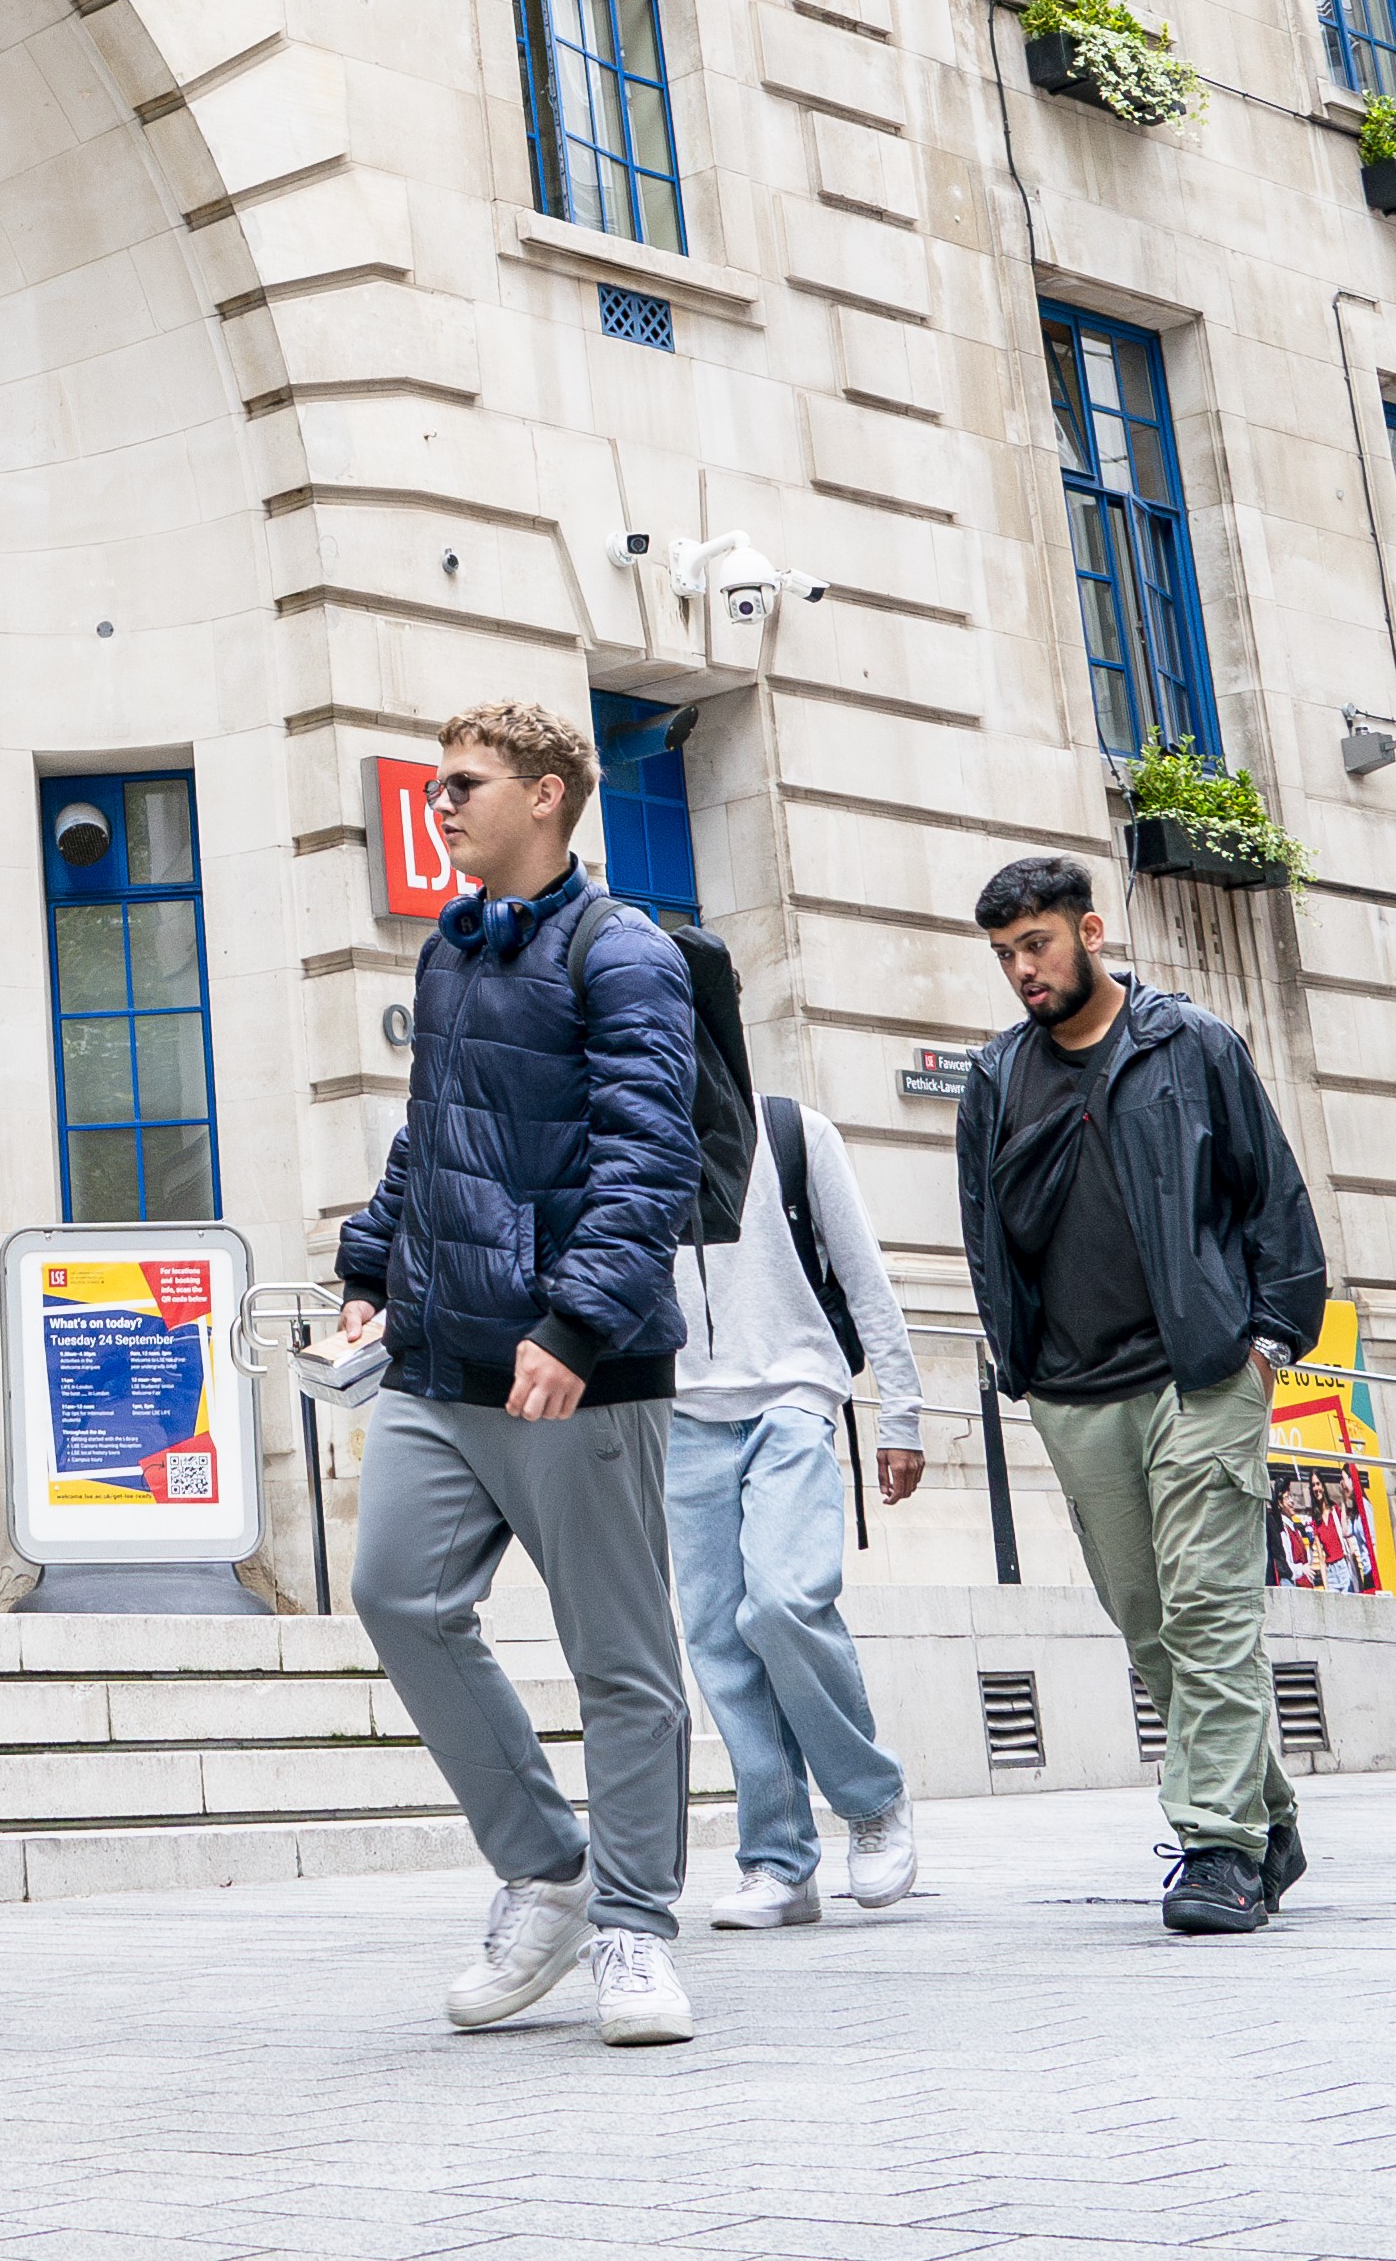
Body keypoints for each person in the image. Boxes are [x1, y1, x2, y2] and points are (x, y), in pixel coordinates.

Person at [336, 701, 701, 2049]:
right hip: (440, 1354)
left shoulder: (626, 952)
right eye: (437, 785)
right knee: (396, 1591)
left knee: (621, 1655)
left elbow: (648, 1155)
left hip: (576, 1365)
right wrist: (373, 1257)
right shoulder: (455, 947)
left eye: (462, 784)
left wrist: (577, 1319)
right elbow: (433, 1128)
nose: (439, 803)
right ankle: (547, 1870)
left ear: (547, 795)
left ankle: (639, 1926)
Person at [956, 854, 1328, 1938]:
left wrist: (1268, 1341)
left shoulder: (1188, 1043)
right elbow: (987, 1242)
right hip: (1075, 1394)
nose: (1023, 970)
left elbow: (1273, 1197)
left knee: (1211, 1610)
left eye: (1037, 945)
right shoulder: (995, 1081)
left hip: (1201, 1374)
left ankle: (1213, 1847)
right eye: (1005, 955)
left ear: (1091, 931)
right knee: (1148, 1623)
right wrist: (1019, 1368)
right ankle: (1268, 1818)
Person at [673, 1080, 929, 1932]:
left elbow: (863, 1275)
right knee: (716, 1635)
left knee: (782, 1601)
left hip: (794, 1389)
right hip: (679, 1412)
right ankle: (778, 1860)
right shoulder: (619, 1132)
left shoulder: (793, 1130)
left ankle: (872, 1797)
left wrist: (903, 1415)